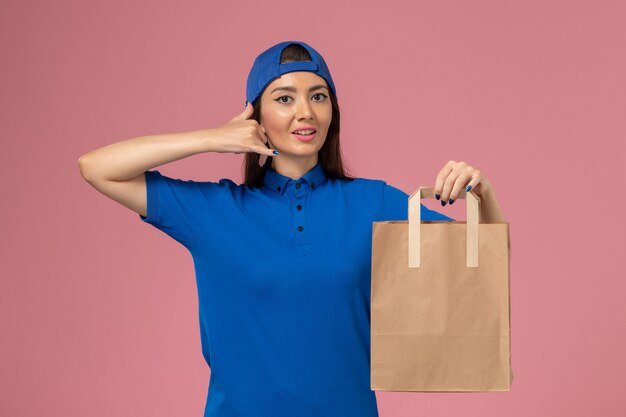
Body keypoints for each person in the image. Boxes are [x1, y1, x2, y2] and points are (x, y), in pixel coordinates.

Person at [78, 40, 506, 417]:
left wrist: (482, 193)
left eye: (318, 96)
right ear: (256, 115)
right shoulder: (216, 210)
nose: (305, 111)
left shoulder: (372, 201)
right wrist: (214, 137)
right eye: (284, 99)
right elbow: (97, 168)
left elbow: (485, 267)